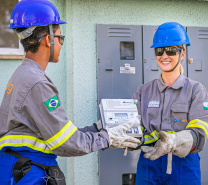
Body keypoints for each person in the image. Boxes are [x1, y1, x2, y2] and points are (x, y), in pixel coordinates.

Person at [0, 0, 140, 184]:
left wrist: (97, 129)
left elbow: (56, 132)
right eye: (60, 38)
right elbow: (64, 142)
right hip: (28, 172)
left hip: (17, 167)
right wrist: (107, 138)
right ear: (48, 39)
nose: (61, 43)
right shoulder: (37, 83)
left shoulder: (23, 74)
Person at [133, 22, 208, 185]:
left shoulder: (196, 90)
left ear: (182, 54)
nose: (164, 56)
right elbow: (136, 128)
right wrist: (126, 137)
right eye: (159, 51)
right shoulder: (143, 92)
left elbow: (199, 133)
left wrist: (174, 141)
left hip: (183, 166)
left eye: (171, 51)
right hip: (149, 163)